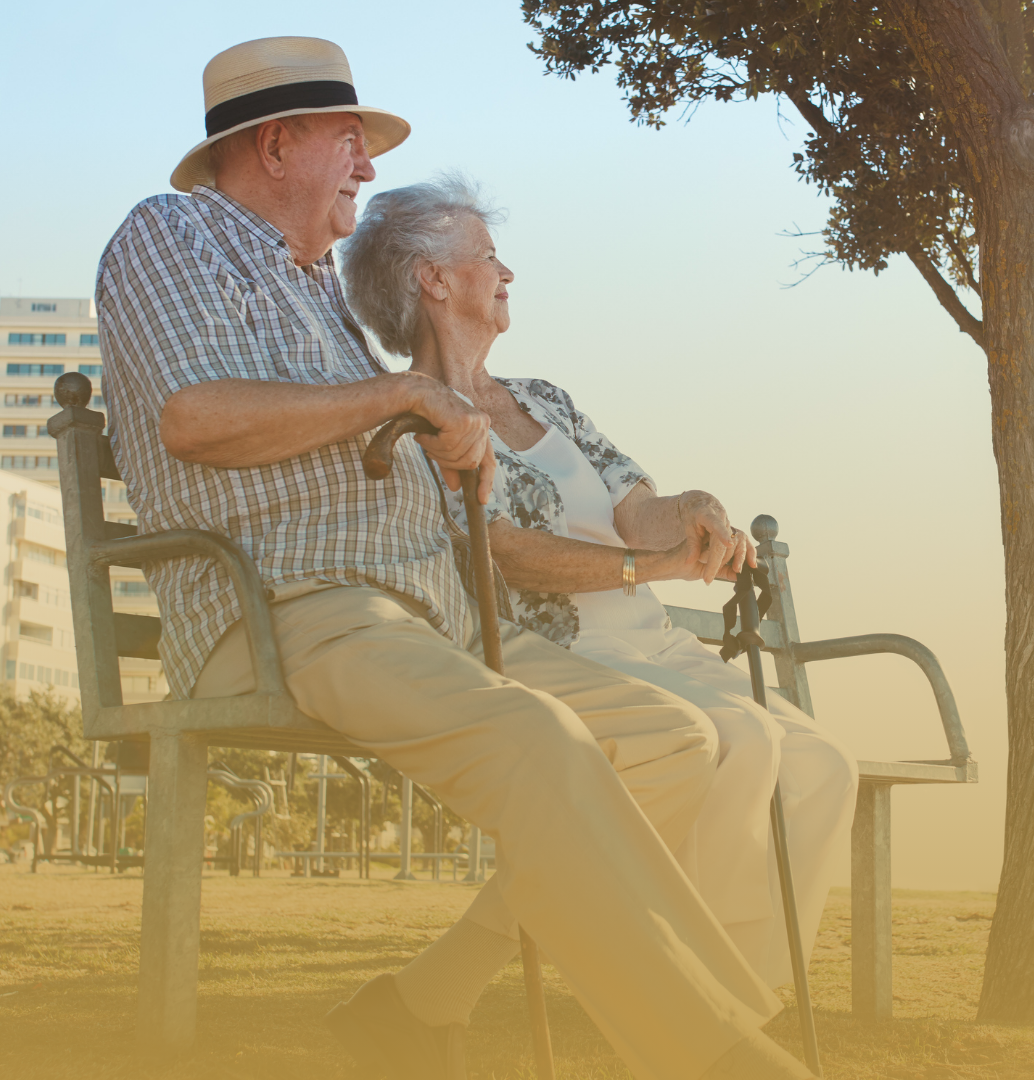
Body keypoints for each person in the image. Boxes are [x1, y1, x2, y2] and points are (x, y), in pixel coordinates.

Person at [96, 35, 813, 1080]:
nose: (369, 167)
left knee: (669, 740)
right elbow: (195, 419)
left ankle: (427, 1000)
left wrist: (451, 463)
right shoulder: (174, 233)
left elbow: (367, 436)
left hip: (436, 611)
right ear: (279, 143)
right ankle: (711, 1051)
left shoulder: (316, 292)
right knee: (542, 744)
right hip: (297, 604)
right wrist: (400, 397)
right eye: (352, 141)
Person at [335, 175, 859, 1000]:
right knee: (745, 745)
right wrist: (647, 569)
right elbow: (498, 553)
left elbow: (635, 508)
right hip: (561, 653)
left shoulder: (546, 400)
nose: (508, 275)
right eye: (490, 257)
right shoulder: (417, 419)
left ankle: (753, 991)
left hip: (651, 641)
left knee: (824, 761)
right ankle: (697, 995)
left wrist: (694, 515)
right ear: (432, 279)